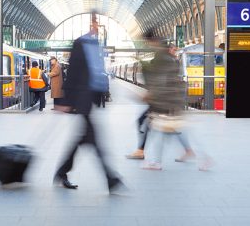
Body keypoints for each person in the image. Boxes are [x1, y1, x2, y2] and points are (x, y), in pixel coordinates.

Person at [53, 14, 124, 193]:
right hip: (80, 99)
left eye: (99, 24)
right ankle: (110, 179)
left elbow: (97, 73)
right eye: (95, 23)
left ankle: (62, 173)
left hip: (89, 99)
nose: (97, 26)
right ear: (90, 24)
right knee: (93, 139)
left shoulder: (96, 46)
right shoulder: (80, 43)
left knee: (83, 139)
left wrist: (101, 97)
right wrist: (65, 101)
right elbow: (73, 71)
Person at [126, 45, 195, 162]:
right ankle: (188, 151)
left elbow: (162, 82)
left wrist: (150, 95)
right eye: (173, 49)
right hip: (167, 101)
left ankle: (144, 153)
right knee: (169, 127)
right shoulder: (172, 61)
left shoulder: (169, 62)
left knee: (149, 123)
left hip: (164, 101)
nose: (175, 51)